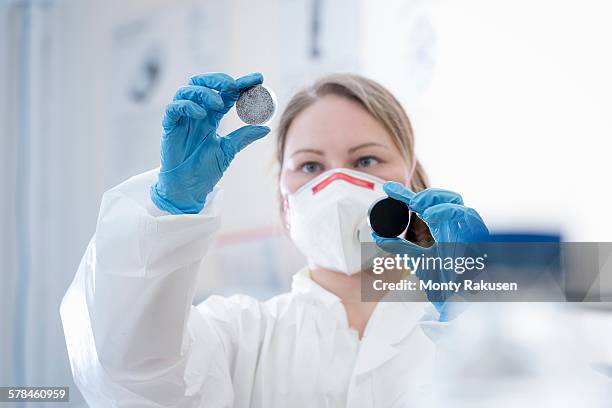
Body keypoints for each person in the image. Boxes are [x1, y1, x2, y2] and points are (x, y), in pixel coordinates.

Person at [60, 72, 488, 407]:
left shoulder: (470, 317)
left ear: (409, 179)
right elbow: (127, 377)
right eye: (309, 166)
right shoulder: (239, 334)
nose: (338, 184)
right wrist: (168, 210)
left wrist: (477, 311)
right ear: (285, 201)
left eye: (366, 160)